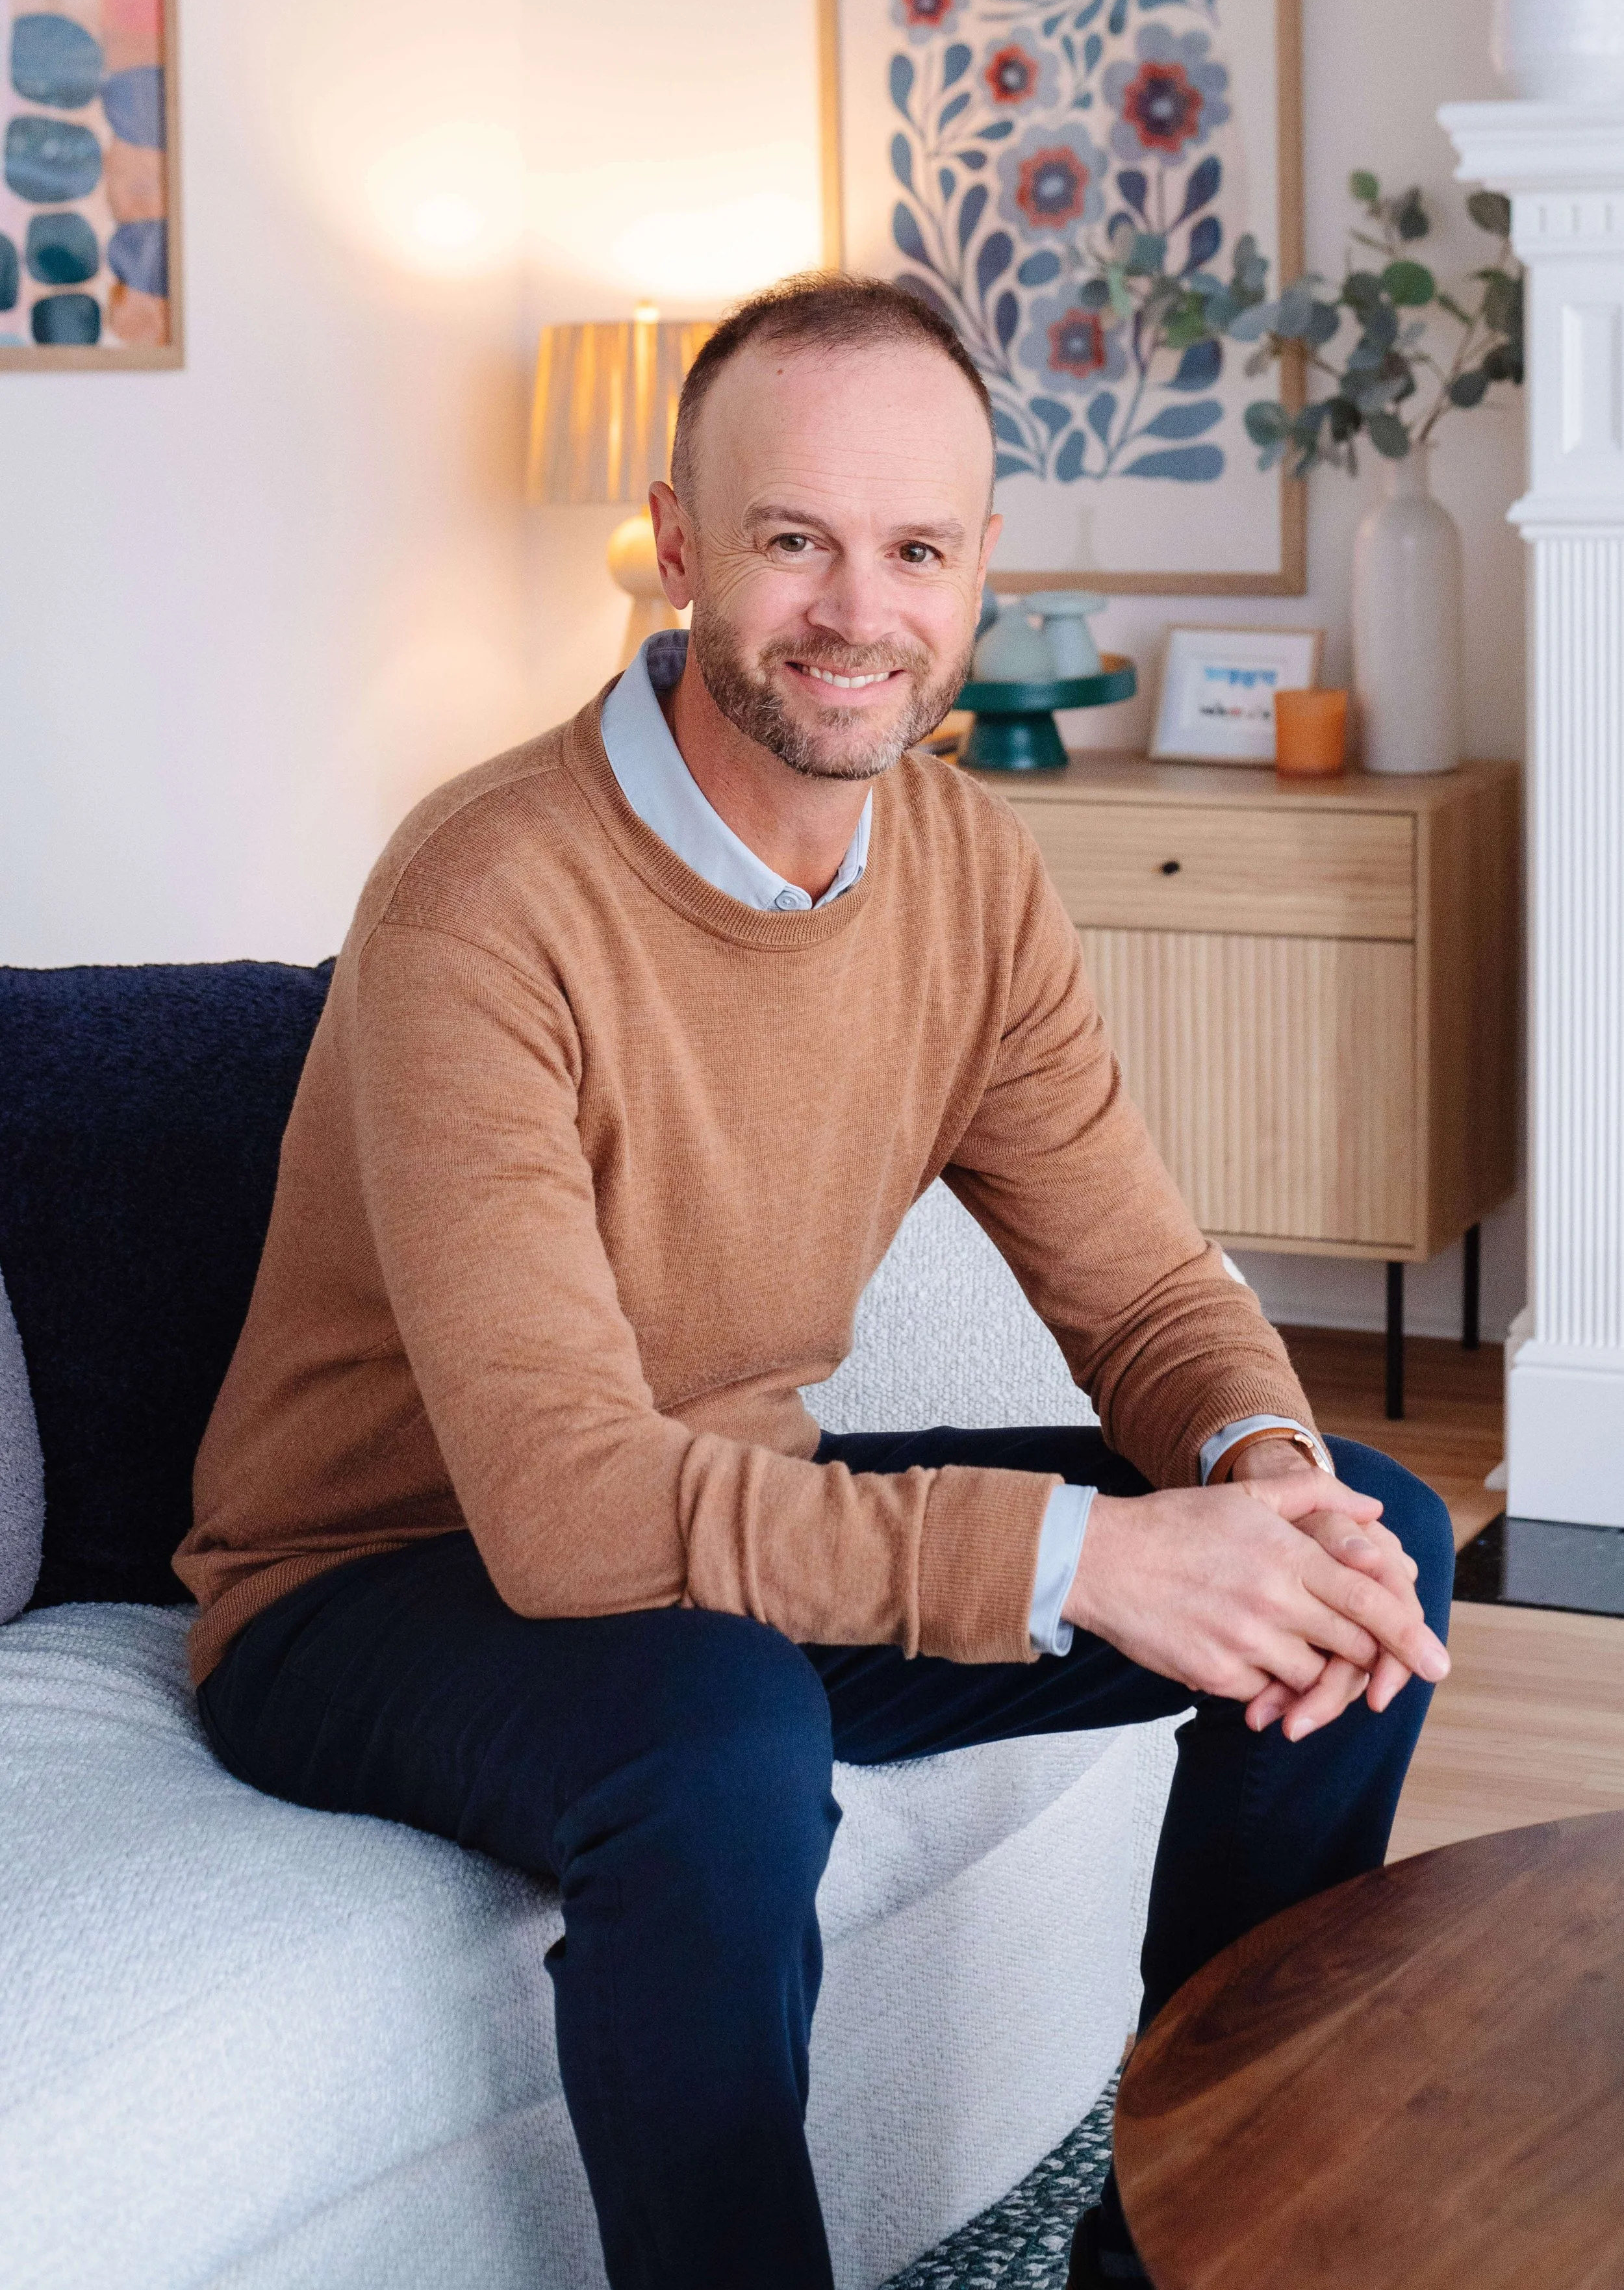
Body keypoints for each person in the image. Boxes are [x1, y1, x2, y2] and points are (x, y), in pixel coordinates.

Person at [176, 274, 1454, 2290]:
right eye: (791, 541)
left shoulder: (965, 868)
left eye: (913, 549)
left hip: (729, 1528)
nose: (855, 610)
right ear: (678, 547)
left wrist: (1257, 1462)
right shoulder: (486, 894)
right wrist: (1073, 1559)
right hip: (374, 1582)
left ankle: (1166, 2253)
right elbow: (569, 1510)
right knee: (715, 1729)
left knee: (1364, 1537)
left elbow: (1134, 1287)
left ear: (977, 576)